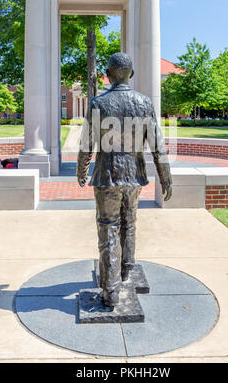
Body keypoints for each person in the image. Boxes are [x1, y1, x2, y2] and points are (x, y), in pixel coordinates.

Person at [77, 52, 172, 310]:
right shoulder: (143, 103)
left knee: (108, 228)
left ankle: (111, 291)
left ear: (108, 75)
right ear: (131, 74)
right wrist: (165, 175)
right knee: (129, 222)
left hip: (108, 176)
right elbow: (157, 144)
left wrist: (81, 169)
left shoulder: (98, 103)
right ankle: (126, 270)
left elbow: (87, 144)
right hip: (133, 175)